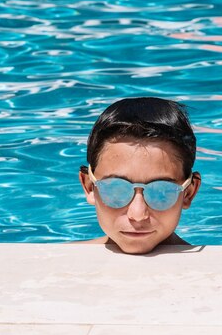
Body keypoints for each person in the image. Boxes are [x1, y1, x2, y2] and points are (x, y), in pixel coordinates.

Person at [78, 97, 201, 254]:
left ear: (188, 193)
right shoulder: (56, 259)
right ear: (89, 187)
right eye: (117, 189)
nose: (138, 215)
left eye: (161, 191)